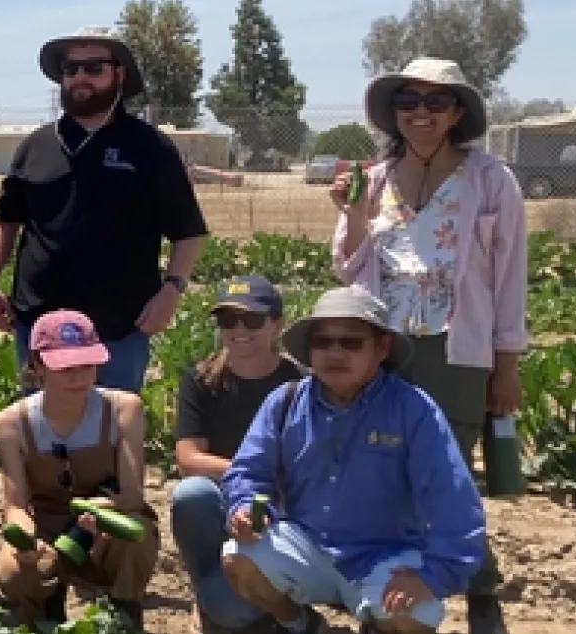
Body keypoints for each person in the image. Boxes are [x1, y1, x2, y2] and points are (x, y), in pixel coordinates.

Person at [327, 58, 526, 634]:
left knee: (449, 479)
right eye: (408, 101)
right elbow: (347, 266)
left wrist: (506, 365)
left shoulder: (492, 180)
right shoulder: (375, 177)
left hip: (455, 349)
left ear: (457, 113)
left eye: (435, 102)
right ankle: (392, 595)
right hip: (383, 348)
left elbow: (510, 278)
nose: (420, 112)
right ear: (394, 112)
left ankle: (481, 588)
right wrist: (354, 215)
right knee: (386, 472)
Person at [220, 285, 488, 634]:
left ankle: (376, 624)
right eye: (323, 342)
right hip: (307, 543)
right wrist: (245, 507)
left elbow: (452, 500)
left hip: (386, 555)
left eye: (350, 342)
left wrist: (432, 576)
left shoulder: (412, 410)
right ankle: (300, 625)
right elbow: (247, 471)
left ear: (381, 348)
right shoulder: (285, 402)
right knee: (237, 557)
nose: (335, 353)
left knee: (415, 616)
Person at [0, 25, 209, 392]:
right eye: (72, 69)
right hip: (39, 326)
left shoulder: (150, 148)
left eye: (94, 67)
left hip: (119, 328)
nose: (80, 77)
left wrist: (172, 290)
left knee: (113, 431)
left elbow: (187, 231)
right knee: (39, 433)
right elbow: (4, 219)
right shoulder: (36, 145)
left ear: (119, 74)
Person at [0, 310, 156, 628]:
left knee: (137, 534)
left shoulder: (123, 409)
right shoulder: (12, 423)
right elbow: (15, 505)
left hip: (107, 522)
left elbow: (133, 495)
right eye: (65, 367)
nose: (78, 376)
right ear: (37, 365)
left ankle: (123, 608)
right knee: (12, 569)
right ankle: (44, 608)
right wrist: (26, 539)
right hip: (48, 526)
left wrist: (99, 510)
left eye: (86, 365)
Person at [168, 275, 304, 633]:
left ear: (277, 324)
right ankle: (208, 591)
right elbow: (188, 457)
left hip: (277, 499)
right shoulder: (200, 378)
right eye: (228, 320)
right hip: (223, 491)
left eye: (253, 320)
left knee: (238, 607)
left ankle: (270, 602)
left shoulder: (299, 383)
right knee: (190, 495)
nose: (239, 329)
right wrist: (250, 472)